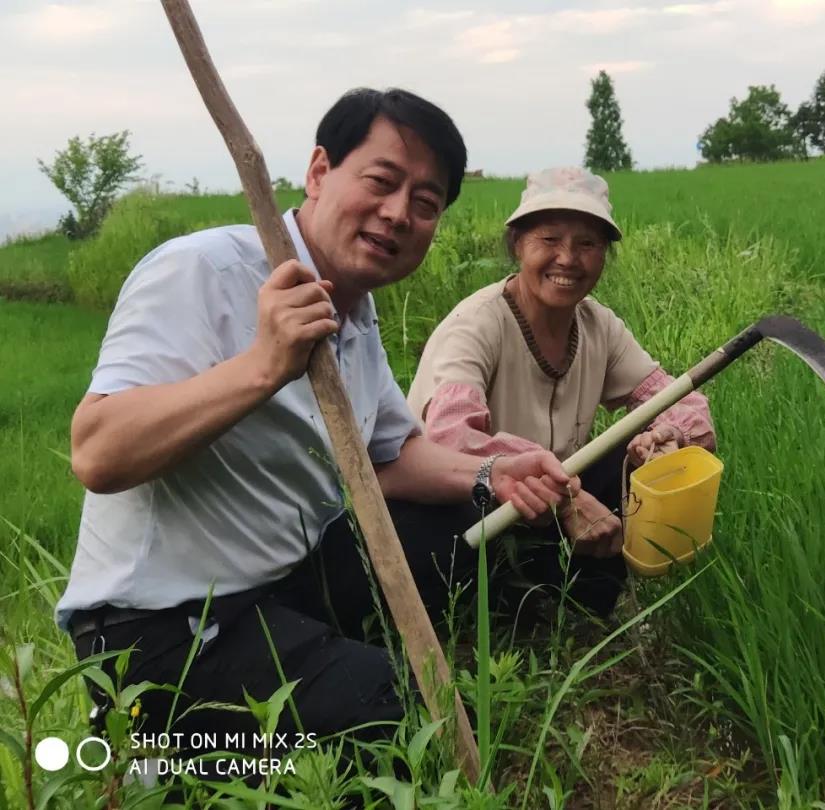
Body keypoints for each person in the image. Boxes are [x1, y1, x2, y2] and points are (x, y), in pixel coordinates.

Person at [56, 88, 578, 756]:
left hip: (283, 587)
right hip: (157, 631)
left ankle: (315, 664)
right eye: (382, 182)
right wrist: (263, 365)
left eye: (425, 204)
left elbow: (390, 456)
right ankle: (157, 752)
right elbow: (98, 454)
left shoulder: (353, 310)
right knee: (404, 714)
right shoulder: (205, 270)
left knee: (466, 527)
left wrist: (493, 471)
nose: (397, 214)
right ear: (319, 172)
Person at [407, 166, 716, 619]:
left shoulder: (598, 326)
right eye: (549, 240)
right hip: (469, 510)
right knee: (474, 564)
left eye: (587, 244)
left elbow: (681, 401)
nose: (568, 259)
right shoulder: (477, 325)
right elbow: (451, 441)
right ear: (518, 244)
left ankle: (588, 604)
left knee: (626, 458)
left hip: (547, 506)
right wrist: (567, 494)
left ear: (603, 256)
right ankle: (497, 609)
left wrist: (666, 436)